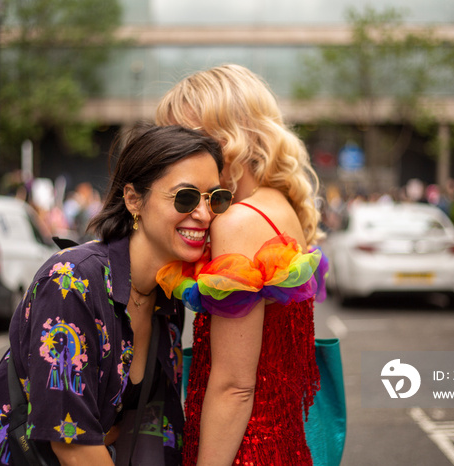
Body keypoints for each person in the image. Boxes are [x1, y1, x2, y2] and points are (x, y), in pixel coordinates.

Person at [0, 124, 230, 465]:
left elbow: (152, 426)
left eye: (216, 198)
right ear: (133, 199)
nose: (205, 214)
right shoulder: (71, 282)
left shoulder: (170, 296)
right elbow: (73, 446)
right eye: (186, 197)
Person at [155, 64, 328, 465]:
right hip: (279, 443)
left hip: (242, 450)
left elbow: (234, 387)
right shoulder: (277, 205)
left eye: (183, 140)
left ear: (226, 139)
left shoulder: (238, 221)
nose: (171, 156)